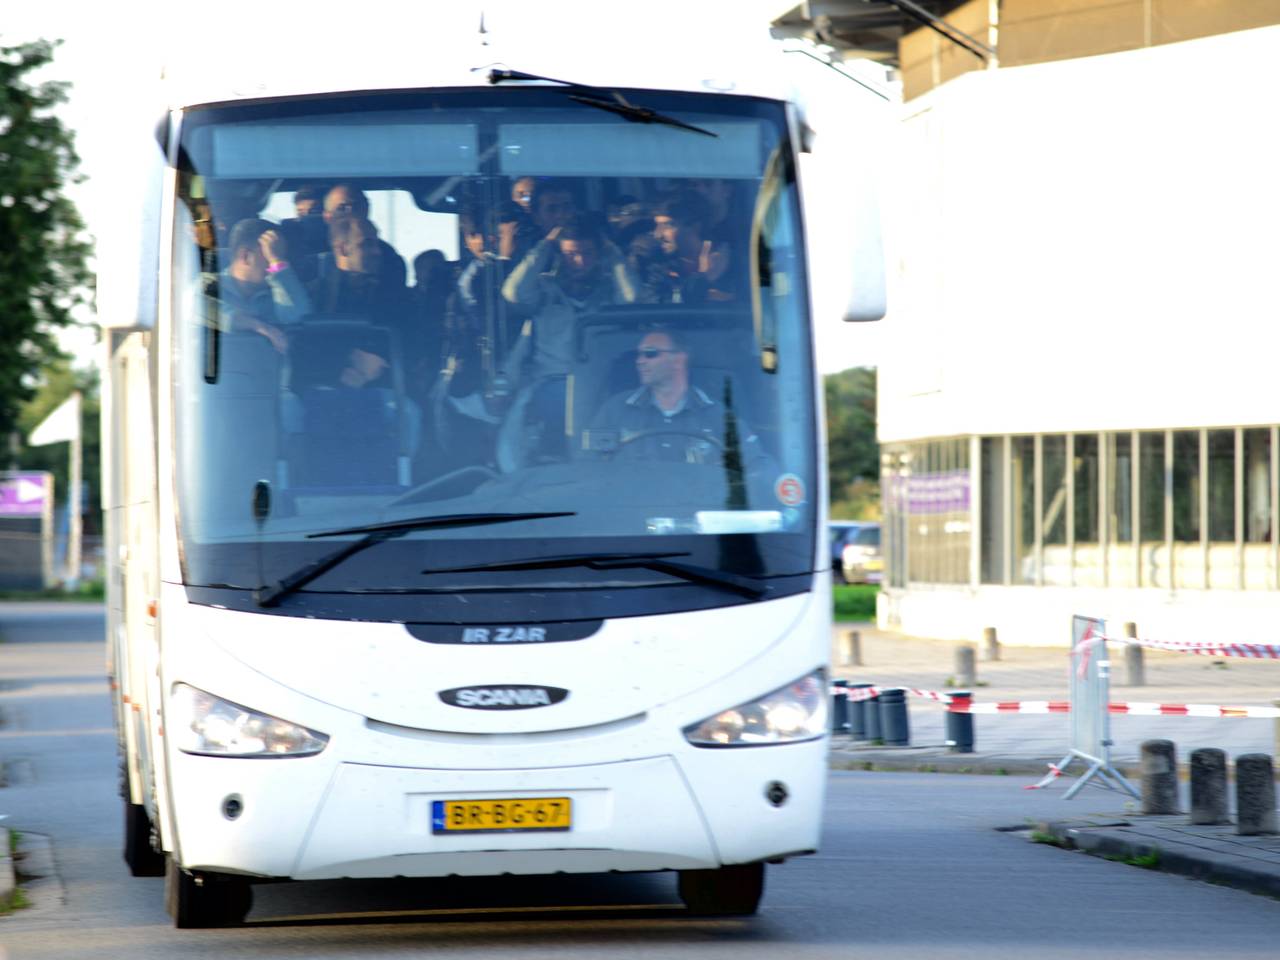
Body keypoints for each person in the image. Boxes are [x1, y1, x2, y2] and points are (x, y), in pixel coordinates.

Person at [587, 328, 769, 472]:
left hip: (697, 511)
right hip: (627, 512)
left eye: (650, 353)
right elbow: (588, 466)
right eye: (639, 354)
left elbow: (757, 468)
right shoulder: (615, 410)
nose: (639, 361)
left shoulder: (717, 416)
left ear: (679, 360)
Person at [213, 217, 312, 352]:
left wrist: (278, 264)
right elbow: (197, 308)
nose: (273, 264)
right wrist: (259, 327)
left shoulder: (278, 290)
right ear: (246, 256)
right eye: (270, 253)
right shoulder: (209, 285)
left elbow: (300, 320)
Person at [639, 191, 736, 304]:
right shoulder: (658, 264)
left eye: (668, 225)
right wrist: (704, 278)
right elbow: (655, 311)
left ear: (695, 226)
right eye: (657, 226)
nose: (657, 234)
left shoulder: (734, 262)